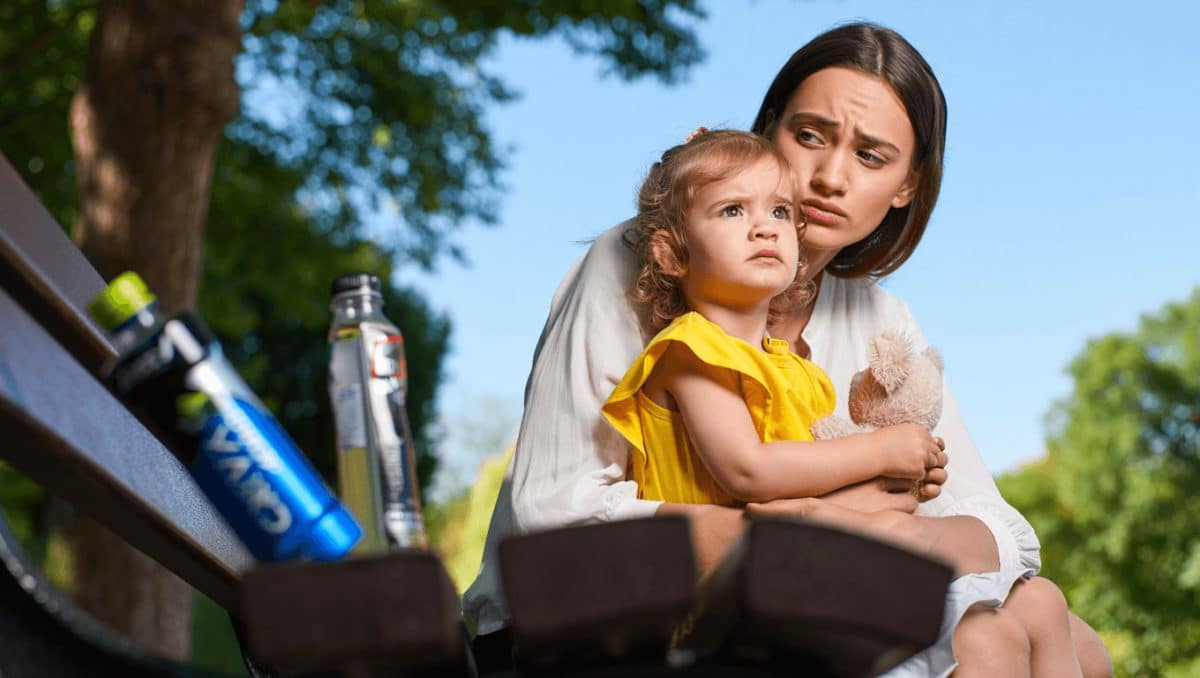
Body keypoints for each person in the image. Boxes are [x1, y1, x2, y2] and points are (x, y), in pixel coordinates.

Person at [463, 21, 1111, 677]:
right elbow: (553, 516)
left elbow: (997, 527)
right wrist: (824, 529)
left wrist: (905, 534)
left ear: (907, 186)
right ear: (767, 130)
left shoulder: (880, 320)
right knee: (980, 637)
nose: (831, 178)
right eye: (810, 136)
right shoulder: (643, 266)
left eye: (871, 157)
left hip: (805, 597)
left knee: (1057, 624)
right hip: (596, 625)